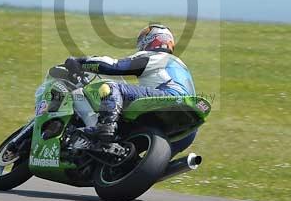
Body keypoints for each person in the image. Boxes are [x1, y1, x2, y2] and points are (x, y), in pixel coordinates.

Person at [64, 23, 196, 143]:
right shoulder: (181, 64)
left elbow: (115, 66)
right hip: (189, 121)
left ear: (152, 39)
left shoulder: (154, 56)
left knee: (111, 87)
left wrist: (81, 62)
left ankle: (105, 127)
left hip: (168, 96)